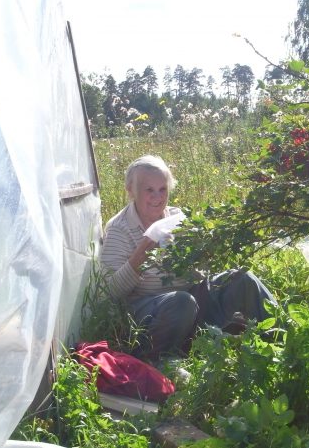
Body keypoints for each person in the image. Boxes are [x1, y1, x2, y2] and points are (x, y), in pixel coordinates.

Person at [99, 154, 276, 359]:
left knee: (242, 279)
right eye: (149, 190)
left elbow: (202, 274)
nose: (157, 197)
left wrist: (202, 251)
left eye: (162, 189)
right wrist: (140, 257)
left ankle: (287, 343)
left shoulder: (178, 218)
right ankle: (159, 360)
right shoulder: (120, 228)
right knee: (181, 301)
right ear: (131, 191)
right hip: (150, 312)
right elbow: (109, 292)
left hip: (191, 301)